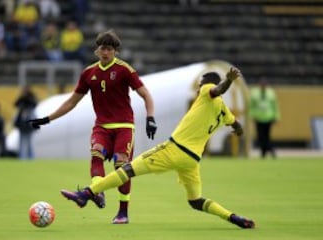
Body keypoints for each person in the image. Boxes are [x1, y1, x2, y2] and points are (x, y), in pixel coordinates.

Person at [59, 68, 256, 229]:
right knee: (195, 201)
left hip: (174, 150)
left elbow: (217, 90)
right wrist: (238, 130)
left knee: (126, 169)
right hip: (192, 160)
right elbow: (235, 123)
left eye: (200, 84)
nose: (198, 88)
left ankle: (86, 194)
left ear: (206, 83)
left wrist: (228, 81)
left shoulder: (208, 91)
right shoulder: (224, 111)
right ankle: (233, 218)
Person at [28, 30, 157, 224]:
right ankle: (99, 193)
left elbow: (146, 94)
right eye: (103, 48)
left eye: (110, 49)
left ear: (115, 52)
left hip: (124, 126)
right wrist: (47, 119)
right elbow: (71, 102)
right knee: (96, 155)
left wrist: (150, 118)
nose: (106, 52)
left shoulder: (125, 70)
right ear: (97, 50)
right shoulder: (89, 73)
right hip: (102, 127)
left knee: (121, 167)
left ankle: (123, 212)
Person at [249, 78, 280, 158]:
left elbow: (275, 105)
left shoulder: (271, 93)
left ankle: (265, 153)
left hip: (268, 117)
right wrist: (252, 115)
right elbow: (252, 105)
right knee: (260, 137)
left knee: (267, 136)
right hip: (259, 118)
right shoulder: (255, 93)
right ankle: (268, 151)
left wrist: (276, 116)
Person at [14, 86, 38, 159]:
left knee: (29, 142)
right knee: (22, 141)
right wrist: (22, 97)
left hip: (29, 123)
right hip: (22, 124)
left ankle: (30, 157)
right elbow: (15, 104)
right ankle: (22, 157)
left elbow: (34, 104)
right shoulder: (21, 99)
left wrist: (27, 97)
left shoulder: (31, 98)